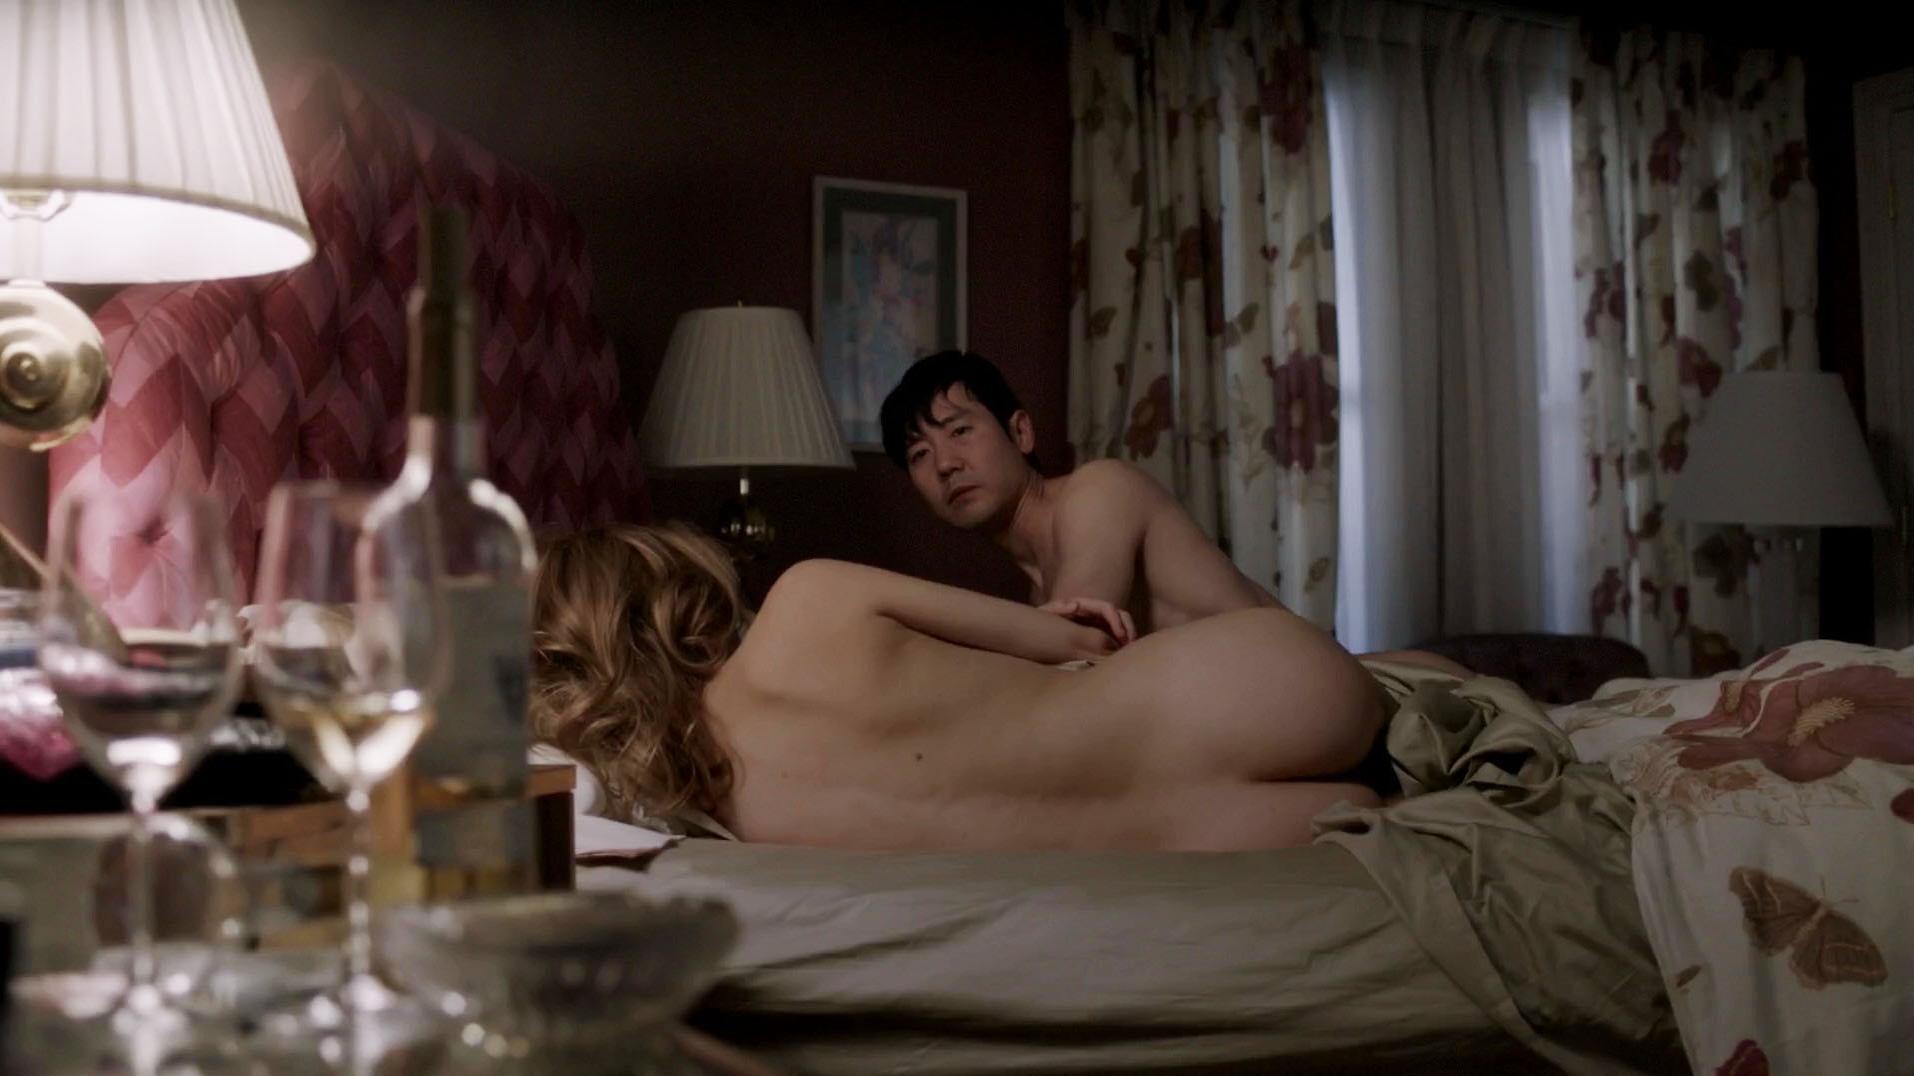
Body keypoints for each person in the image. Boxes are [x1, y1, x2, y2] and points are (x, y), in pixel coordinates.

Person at [531, 524, 1387, 852]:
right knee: (1409, 687)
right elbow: (1077, 640)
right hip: (1251, 689)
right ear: (678, 583)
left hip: (1234, 835)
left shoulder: (746, 824)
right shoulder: (808, 597)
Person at [878, 351, 1465, 673]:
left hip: (1334, 683)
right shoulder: (1038, 594)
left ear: (1021, 432)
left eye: (960, 431)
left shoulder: (1096, 491)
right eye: (919, 455)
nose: (945, 464)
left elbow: (1079, 645)